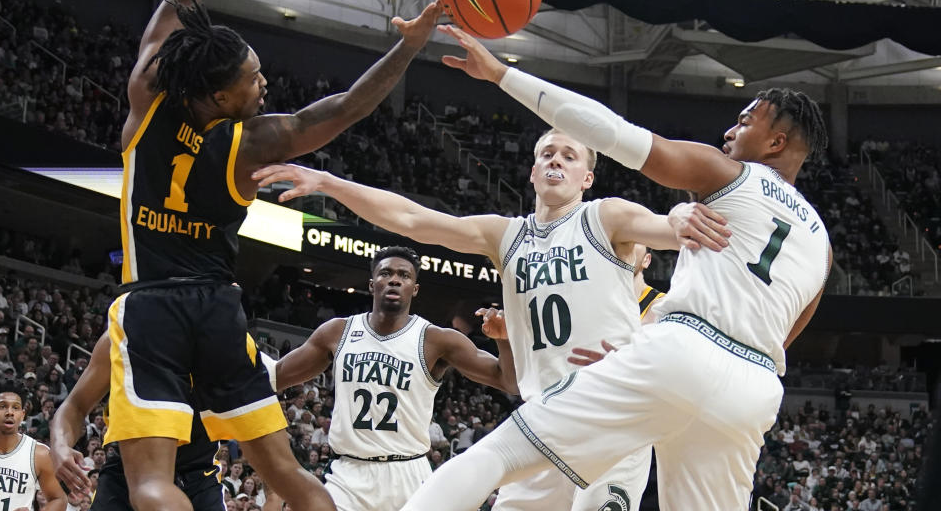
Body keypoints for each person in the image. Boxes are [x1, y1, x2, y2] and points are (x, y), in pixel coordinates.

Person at [386, 25, 831, 511]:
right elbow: (781, 337)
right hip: (755, 387)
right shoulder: (822, 245)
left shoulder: (730, 173)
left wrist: (500, 75)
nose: (729, 131)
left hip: (685, 351)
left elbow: (614, 133)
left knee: (501, 454)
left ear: (776, 142)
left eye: (745, 122)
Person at [110, 0, 440, 511]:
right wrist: (411, 44)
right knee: (289, 478)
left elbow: (178, 0)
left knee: (151, 485)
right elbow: (345, 108)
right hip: (217, 312)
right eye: (251, 80)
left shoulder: (147, 97)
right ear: (218, 99)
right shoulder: (249, 144)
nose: (264, 85)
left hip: (148, 306)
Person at [252, 140, 730, 511]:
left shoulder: (605, 216)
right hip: (543, 419)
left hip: (612, 412)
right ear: (532, 171)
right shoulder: (505, 235)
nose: (555, 161)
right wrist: (331, 183)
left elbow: (671, 233)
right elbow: (413, 219)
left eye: (569, 155)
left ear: (587, 177)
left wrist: (682, 212)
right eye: (546, 154)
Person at [266, 246, 518, 511]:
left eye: (404, 275)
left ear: (415, 288)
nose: (395, 279)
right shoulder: (337, 332)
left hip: (408, 472)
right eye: (386, 273)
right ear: (372, 284)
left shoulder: (435, 339)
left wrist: (504, 342)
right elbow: (276, 377)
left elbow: (508, 382)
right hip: (349, 475)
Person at [50, 333, 226, 511]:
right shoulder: (120, 331)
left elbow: (253, 428)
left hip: (198, 476)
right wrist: (59, 445)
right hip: (126, 472)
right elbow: (76, 404)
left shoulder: (227, 342)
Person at [0, 380, 66, 511]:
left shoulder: (39, 454)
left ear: (22, 415)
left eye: (15, 407)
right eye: (2, 406)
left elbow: (58, 500)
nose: (10, 412)